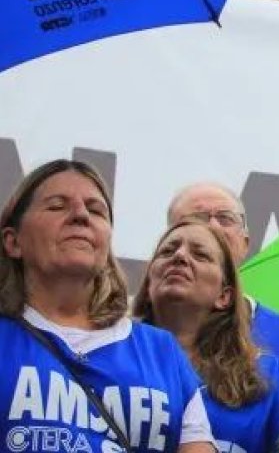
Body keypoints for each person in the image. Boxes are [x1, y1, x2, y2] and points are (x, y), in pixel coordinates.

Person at [0, 159, 215, 452]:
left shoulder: (162, 353)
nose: (80, 215)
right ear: (13, 242)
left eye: (96, 210)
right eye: (57, 206)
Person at [133, 219, 279, 453]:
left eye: (200, 255)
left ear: (225, 296)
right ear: (149, 283)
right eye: (168, 251)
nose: (179, 256)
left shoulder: (269, 378)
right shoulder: (107, 358)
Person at [168, 182, 279, 447]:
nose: (214, 227)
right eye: (197, 218)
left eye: (225, 218)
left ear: (245, 242)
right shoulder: (138, 338)